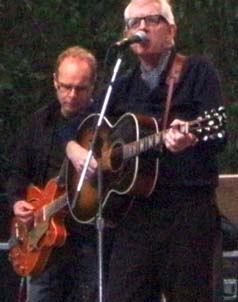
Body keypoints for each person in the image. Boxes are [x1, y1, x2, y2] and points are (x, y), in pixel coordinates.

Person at [66, 0, 227, 302]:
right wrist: (74, 148)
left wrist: (189, 138)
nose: (141, 27)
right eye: (134, 22)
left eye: (152, 20)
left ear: (171, 31)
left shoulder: (196, 71)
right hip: (136, 214)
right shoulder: (122, 85)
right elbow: (76, 125)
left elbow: (220, 133)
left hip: (187, 213)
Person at [7, 46, 99, 302]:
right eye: (65, 87)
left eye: (80, 89)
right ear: (55, 82)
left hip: (85, 240)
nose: (71, 95)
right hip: (42, 240)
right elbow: (18, 172)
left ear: (93, 86)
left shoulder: (101, 126)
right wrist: (17, 202)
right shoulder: (39, 122)